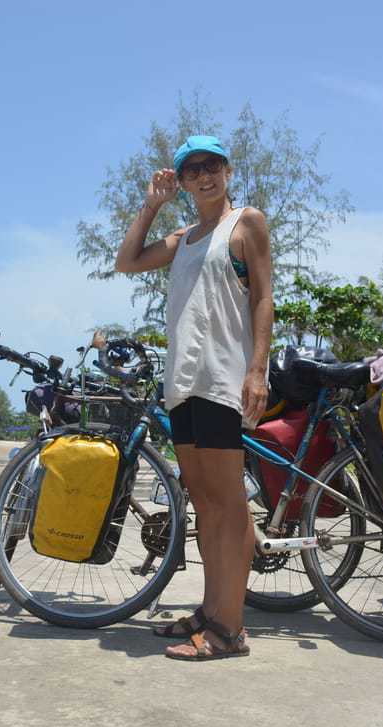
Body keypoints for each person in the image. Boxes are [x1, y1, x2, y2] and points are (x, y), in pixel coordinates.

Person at [114, 135, 273, 660]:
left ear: (227, 171)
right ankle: (211, 611)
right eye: (192, 170)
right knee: (204, 504)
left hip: (223, 380)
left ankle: (231, 630)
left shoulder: (245, 223)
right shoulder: (182, 239)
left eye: (212, 166)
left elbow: (263, 298)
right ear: (181, 182)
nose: (204, 176)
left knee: (230, 505)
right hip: (182, 384)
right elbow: (127, 260)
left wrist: (257, 370)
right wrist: (151, 204)